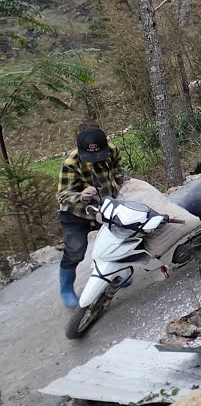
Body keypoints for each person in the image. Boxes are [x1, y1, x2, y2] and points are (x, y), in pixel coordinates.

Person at [56, 127, 125, 308]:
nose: (95, 161)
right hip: (76, 212)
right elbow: (63, 194)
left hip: (104, 207)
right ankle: (66, 289)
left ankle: (113, 274)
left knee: (114, 241)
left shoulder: (111, 150)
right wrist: (81, 195)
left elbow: (117, 168)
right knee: (75, 251)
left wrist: (121, 183)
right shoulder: (71, 162)